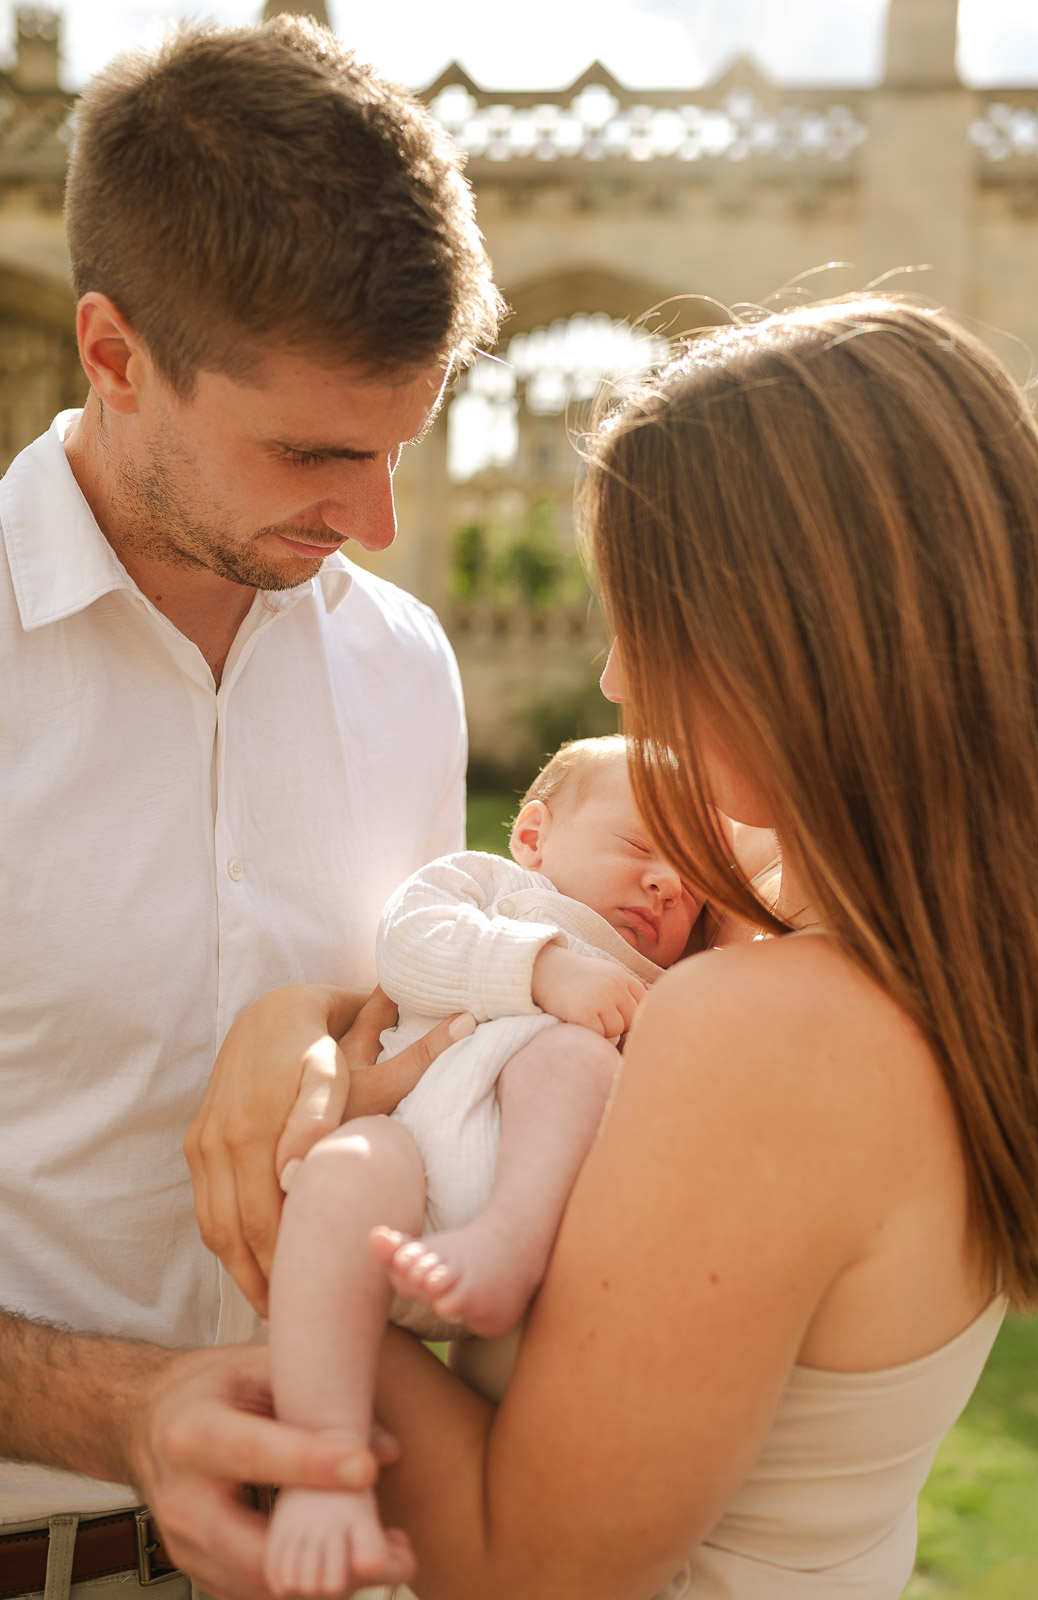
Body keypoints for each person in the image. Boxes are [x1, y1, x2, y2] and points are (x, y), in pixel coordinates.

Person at [199, 296, 1038, 1600]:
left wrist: (298, 1201)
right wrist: (310, 1017)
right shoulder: (942, 963)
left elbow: (528, 1569)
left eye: (642, 618)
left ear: (786, 643)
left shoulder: (770, 1029)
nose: (612, 679)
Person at [0, 14, 502, 1600]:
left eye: (401, 445)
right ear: (113, 352)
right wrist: (121, 1411)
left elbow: (441, 1094)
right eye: (313, 452)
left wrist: (330, 1020)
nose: (374, 519)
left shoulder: (406, 665)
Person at [264, 736, 701, 1594]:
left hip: (522, 1227)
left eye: (691, 882)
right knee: (344, 1164)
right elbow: (407, 944)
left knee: (575, 1062)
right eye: (642, 848)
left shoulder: (663, 980)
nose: (664, 883)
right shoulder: (491, 891)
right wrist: (543, 968)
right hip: (406, 1183)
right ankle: (323, 1470)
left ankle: (505, 1244)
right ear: (533, 835)